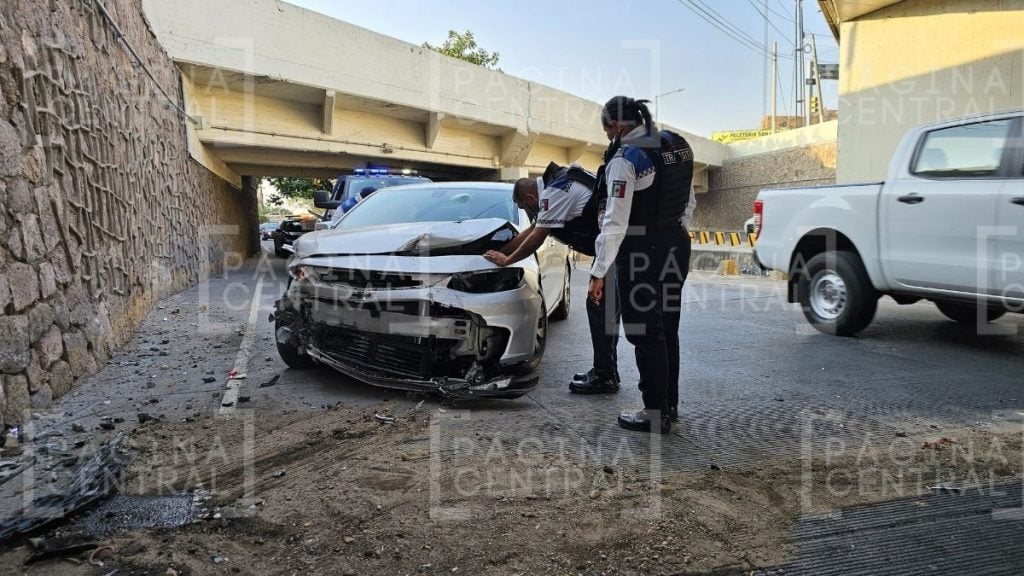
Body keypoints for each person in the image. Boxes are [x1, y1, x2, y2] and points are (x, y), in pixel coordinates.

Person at [588, 96, 694, 434]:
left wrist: (598, 271)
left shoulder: (627, 158)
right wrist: (672, 233)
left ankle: (653, 413)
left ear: (618, 126)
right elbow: (688, 201)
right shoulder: (676, 144)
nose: (609, 139)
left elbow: (615, 223)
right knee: (667, 327)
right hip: (677, 244)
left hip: (641, 254)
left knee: (644, 332)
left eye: (607, 132)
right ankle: (668, 405)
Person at [483, 164, 622, 394]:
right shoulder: (558, 183)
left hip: (612, 247)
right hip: (612, 245)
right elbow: (534, 229)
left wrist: (507, 261)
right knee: (604, 309)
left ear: (530, 197)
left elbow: (537, 235)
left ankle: (605, 375)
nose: (528, 212)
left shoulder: (554, 191)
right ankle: (606, 371)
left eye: (525, 207)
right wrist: (503, 250)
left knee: (600, 307)